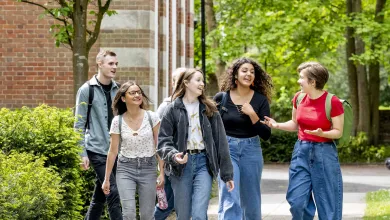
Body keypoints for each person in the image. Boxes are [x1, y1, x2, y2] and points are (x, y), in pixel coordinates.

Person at [262, 61, 344, 220]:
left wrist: (323, 133)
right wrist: (276, 124)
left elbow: (338, 132)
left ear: (313, 82)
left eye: (301, 77)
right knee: (297, 201)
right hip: (301, 151)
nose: (299, 81)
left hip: (324, 152)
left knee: (328, 203)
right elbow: (295, 123)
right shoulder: (299, 98)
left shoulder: (332, 101)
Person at [157, 68, 235, 220]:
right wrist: (174, 155)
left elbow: (221, 143)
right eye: (198, 80)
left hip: (203, 163)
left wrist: (227, 174)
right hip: (180, 166)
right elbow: (163, 142)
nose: (202, 84)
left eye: (203, 80)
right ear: (186, 83)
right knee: (184, 215)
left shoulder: (210, 109)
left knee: (199, 213)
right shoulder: (172, 109)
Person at [214, 57, 273, 220]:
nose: (249, 74)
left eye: (252, 72)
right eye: (244, 71)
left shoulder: (260, 100)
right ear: (235, 75)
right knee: (230, 195)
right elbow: (212, 128)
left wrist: (253, 114)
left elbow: (266, 134)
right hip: (227, 150)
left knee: (251, 199)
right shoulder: (221, 98)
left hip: (251, 150)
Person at [101, 81, 165, 220]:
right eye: (132, 93)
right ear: (123, 98)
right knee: (129, 213)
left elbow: (159, 146)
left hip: (148, 167)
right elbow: (113, 151)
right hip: (125, 168)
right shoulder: (117, 121)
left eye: (139, 92)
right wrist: (106, 179)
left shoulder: (152, 117)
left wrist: (162, 172)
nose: (137, 95)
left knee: (147, 215)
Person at [74, 50, 122, 220]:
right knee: (113, 193)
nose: (114, 67)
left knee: (99, 196)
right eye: (111, 63)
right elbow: (79, 124)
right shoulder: (87, 90)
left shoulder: (119, 90)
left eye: (116, 64)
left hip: (116, 151)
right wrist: (81, 153)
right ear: (99, 64)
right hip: (97, 150)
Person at [154, 67, 187, 220]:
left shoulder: (194, 104)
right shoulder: (166, 106)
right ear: (173, 83)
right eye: (179, 81)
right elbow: (158, 140)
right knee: (166, 203)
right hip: (170, 164)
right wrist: (160, 169)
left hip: (189, 162)